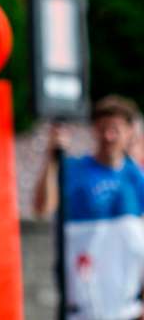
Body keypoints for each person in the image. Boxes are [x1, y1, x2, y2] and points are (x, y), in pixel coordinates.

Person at [33, 95, 144, 320]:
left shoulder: (135, 177)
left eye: (115, 129)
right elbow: (42, 208)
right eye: (102, 128)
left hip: (127, 310)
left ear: (129, 132)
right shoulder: (75, 169)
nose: (108, 136)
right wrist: (52, 159)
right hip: (84, 311)